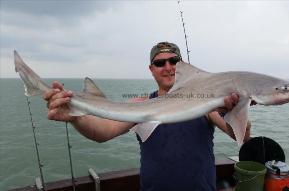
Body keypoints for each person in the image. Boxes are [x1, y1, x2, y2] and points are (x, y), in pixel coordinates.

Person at [43, 42, 251, 191]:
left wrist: (234, 110)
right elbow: (102, 132)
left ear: (183, 66)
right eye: (160, 63)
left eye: (174, 61)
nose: (168, 67)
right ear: (151, 69)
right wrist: (75, 117)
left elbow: (240, 136)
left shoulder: (205, 103)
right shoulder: (140, 105)